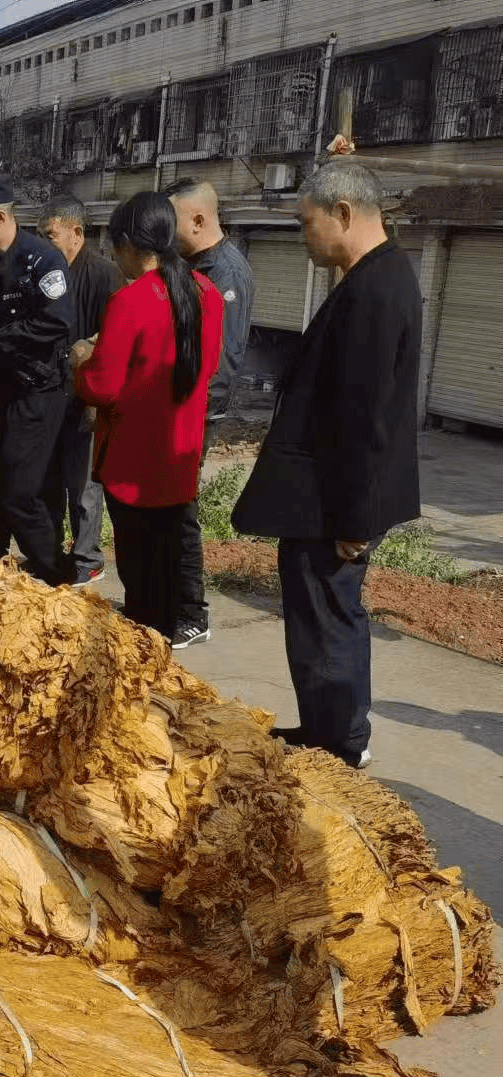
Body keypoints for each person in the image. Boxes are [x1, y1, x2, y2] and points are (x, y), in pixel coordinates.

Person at [230, 162, 421, 771]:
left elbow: (364, 419)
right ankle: (329, 728)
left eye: (306, 223)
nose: (302, 237)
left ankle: (336, 744)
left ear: (343, 214)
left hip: (336, 500)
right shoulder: (373, 275)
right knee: (321, 616)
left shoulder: (374, 291)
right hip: (330, 495)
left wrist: (354, 519)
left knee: (328, 619)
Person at [71, 192, 223, 640]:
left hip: (132, 462)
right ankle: (167, 635)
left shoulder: (130, 301)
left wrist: (81, 360)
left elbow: (103, 386)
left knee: (140, 577)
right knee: (168, 563)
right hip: (179, 454)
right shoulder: (206, 293)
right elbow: (208, 366)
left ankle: (144, 651)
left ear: (127, 245)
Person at [0, 177, 78, 585]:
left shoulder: (42, 260)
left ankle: (53, 575)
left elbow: (57, 322)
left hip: (39, 391)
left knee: (21, 492)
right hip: (4, 387)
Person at [166, 177, 257, 648]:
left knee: (182, 511)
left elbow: (221, 360)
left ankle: (192, 612)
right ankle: (167, 600)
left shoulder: (227, 274)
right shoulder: (191, 265)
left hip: (198, 414)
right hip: (179, 408)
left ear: (198, 220)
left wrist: (192, 410)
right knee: (165, 507)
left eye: (173, 219)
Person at [38, 194, 124, 585]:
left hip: (88, 394)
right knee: (48, 477)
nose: (44, 243)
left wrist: (89, 348)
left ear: (76, 232)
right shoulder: (46, 273)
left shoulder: (105, 274)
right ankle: (51, 553)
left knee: (84, 484)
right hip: (51, 391)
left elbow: (117, 335)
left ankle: (88, 557)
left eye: (50, 235)